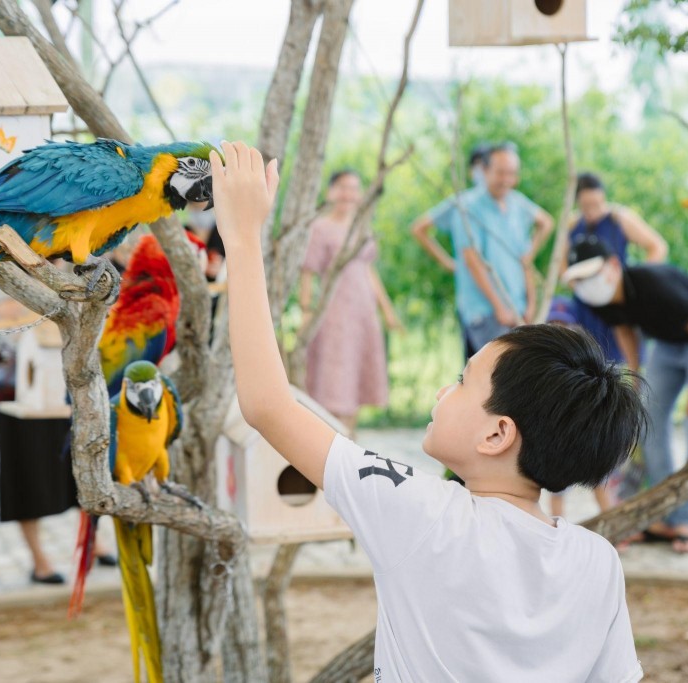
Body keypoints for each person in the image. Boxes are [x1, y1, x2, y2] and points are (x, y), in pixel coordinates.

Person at [214, 141, 646, 681]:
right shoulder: (597, 560)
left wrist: (241, 236)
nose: (444, 391)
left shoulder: (420, 513)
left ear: (497, 434)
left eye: (463, 382)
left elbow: (268, 405)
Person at [563, 235, 688, 554]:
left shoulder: (652, 283)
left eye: (589, 275)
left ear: (613, 266)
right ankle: (663, 516)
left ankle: (685, 521)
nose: (585, 284)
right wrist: (636, 374)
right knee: (649, 421)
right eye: (578, 279)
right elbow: (624, 328)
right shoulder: (598, 300)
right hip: (668, 344)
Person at [0, 277, 114, 584]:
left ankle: (92, 542)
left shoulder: (61, 259)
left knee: (81, 465)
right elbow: (7, 311)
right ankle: (40, 560)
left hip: (66, 374)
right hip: (21, 381)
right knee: (25, 476)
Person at [412, 143, 554, 357]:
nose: (506, 179)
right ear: (483, 171)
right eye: (500, 173)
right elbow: (472, 260)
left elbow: (526, 255)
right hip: (486, 311)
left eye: (512, 173)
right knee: (494, 381)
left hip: (517, 307)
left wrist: (530, 303)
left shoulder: (517, 204)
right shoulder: (466, 206)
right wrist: (499, 307)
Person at [300, 169, 401, 434]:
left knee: (355, 381)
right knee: (334, 382)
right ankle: (331, 445)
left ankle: (352, 444)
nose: (348, 194)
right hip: (334, 313)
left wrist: (386, 310)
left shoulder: (361, 226)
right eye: (342, 187)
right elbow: (308, 271)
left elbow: (368, 270)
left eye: (354, 188)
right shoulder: (319, 228)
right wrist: (306, 311)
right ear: (330, 191)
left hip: (363, 310)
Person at [563, 173, 668, 362]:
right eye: (587, 206)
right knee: (586, 362)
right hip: (586, 307)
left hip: (616, 302)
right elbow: (562, 262)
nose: (593, 210)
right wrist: (580, 287)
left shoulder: (618, 219)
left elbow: (657, 246)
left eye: (597, 203)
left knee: (621, 363)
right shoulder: (572, 224)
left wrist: (640, 283)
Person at [545, 296, 615, 518]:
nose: (559, 329)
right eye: (554, 324)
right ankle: (557, 527)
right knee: (557, 487)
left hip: (585, 432)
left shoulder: (586, 360)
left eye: (564, 324)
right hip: (557, 436)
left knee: (600, 480)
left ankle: (614, 523)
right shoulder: (544, 361)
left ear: (574, 326)